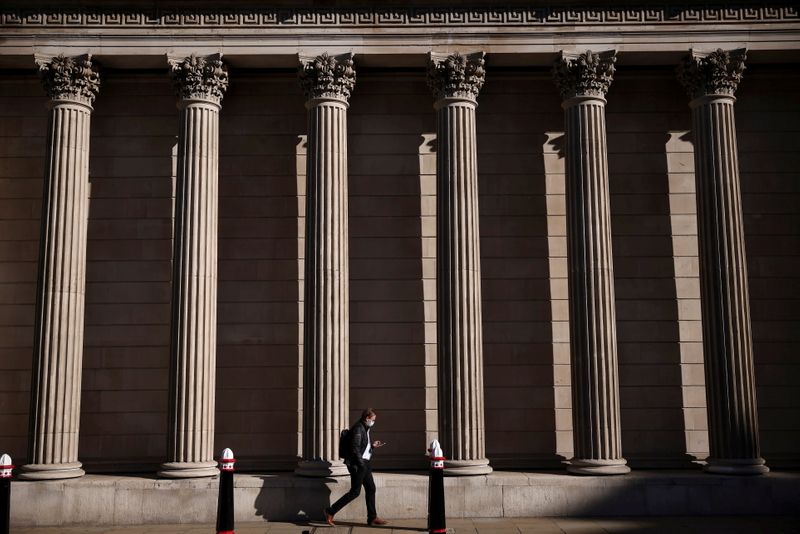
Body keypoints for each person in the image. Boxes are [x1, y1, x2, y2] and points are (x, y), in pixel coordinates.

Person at [324, 408, 388, 527]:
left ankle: (372, 518)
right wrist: (361, 465)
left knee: (371, 488)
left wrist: (372, 446)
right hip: (359, 465)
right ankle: (330, 511)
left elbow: (362, 446)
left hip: (365, 463)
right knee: (355, 492)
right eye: (373, 420)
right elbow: (354, 449)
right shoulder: (358, 428)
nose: (373, 422)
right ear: (367, 418)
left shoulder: (365, 428)